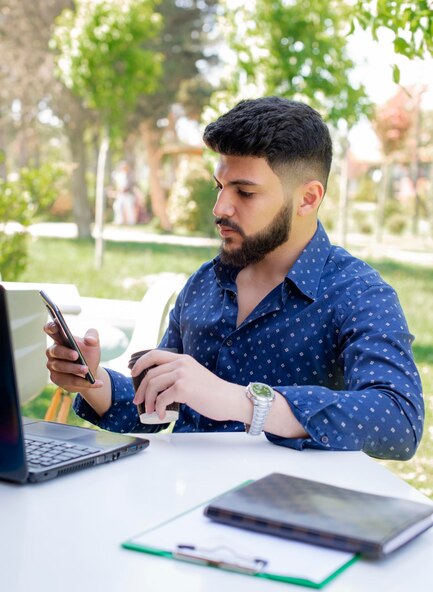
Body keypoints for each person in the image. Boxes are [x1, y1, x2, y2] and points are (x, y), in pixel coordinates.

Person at [45, 97, 424, 460]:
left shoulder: (358, 293)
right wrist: (94, 382)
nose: (220, 208)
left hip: (287, 513)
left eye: (244, 192)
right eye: (220, 187)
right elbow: (159, 404)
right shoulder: (204, 284)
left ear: (307, 199)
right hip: (179, 506)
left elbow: (399, 420)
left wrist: (242, 401)